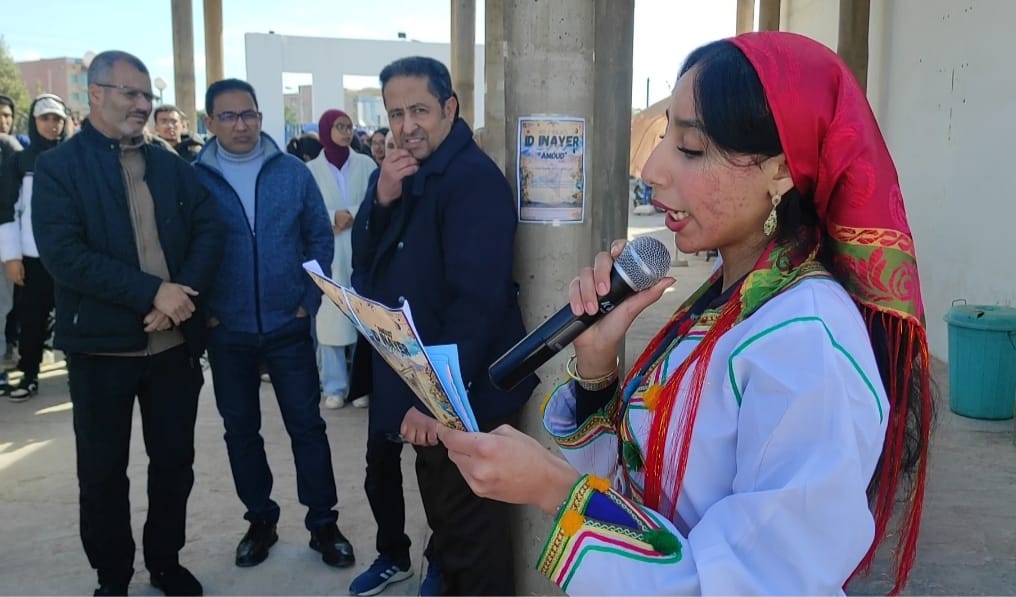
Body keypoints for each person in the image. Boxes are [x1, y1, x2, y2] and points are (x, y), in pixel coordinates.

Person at [437, 32, 934, 596]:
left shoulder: (807, 342)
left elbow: (751, 585)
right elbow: (642, 482)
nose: (652, 169)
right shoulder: (726, 300)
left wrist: (554, 490)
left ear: (780, 171)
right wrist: (597, 367)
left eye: (691, 148)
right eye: (664, 137)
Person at [32, 50, 223, 596]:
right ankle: (112, 576)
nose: (142, 104)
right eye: (130, 93)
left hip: (172, 348)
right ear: (95, 94)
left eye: (148, 96)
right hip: (100, 352)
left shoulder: (170, 164)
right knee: (101, 473)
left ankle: (165, 562)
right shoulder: (59, 168)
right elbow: (65, 255)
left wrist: (179, 295)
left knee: (174, 464)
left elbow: (210, 228)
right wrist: (151, 292)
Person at [349, 56, 537, 596]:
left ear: (449, 109)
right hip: (422, 384)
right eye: (396, 114)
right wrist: (381, 198)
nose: (407, 126)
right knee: (449, 524)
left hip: (461, 395)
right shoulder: (403, 173)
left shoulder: (471, 181)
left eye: (420, 111)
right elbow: (365, 262)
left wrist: (434, 400)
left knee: (473, 537)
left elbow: (476, 304)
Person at [193, 78, 355, 571]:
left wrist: (308, 299)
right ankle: (260, 520)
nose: (240, 125)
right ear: (210, 122)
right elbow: (184, 248)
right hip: (228, 330)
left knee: (307, 427)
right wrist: (209, 312)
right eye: (228, 116)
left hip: (289, 324)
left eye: (249, 114)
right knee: (241, 431)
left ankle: (323, 524)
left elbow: (317, 237)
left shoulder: (291, 172)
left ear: (261, 118)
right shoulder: (195, 179)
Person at [0, 94, 70, 401]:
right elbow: (8, 210)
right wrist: (12, 256)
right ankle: (29, 375)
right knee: (31, 320)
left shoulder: (75, 158)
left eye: (57, 119)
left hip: (71, 257)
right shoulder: (20, 162)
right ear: (34, 121)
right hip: (32, 257)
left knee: (72, 319)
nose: (52, 124)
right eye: (45, 118)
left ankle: (78, 375)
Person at [306, 109, 376, 410]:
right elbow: (307, 209)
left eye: (349, 127)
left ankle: (359, 385)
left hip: (360, 248)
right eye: (339, 126)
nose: (346, 132)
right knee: (330, 323)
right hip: (329, 250)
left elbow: (376, 200)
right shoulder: (311, 170)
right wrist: (333, 216)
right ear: (326, 130)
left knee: (362, 320)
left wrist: (353, 213)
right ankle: (334, 385)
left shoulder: (366, 164)